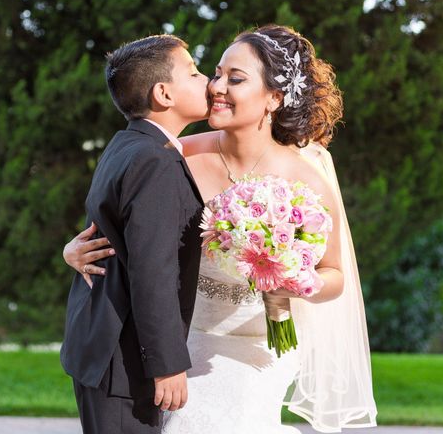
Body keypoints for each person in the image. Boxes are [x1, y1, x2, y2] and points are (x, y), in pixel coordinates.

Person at [63, 25, 377, 433]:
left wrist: (294, 281)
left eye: (236, 78)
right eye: (215, 73)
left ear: (274, 98)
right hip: (183, 338)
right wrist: (72, 251)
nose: (217, 87)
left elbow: (335, 275)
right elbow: (124, 223)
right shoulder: (177, 155)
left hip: (257, 346)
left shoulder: (307, 179)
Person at [60, 34, 210, 434]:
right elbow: (152, 269)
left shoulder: (127, 144)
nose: (206, 79)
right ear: (164, 93)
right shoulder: (154, 160)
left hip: (102, 347)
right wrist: (166, 365)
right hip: (123, 360)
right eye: (194, 73)